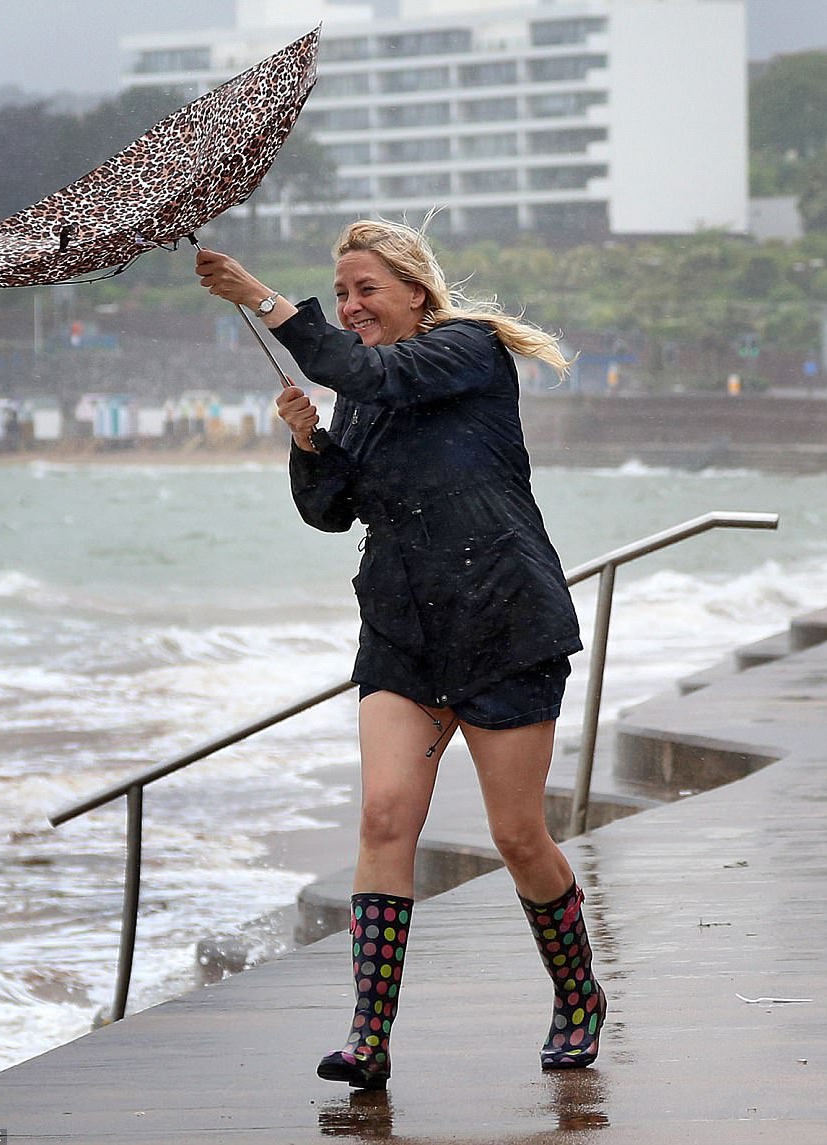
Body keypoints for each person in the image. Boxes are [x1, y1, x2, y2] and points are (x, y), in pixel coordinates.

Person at [195, 218, 606, 1091]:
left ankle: (579, 999)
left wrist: (262, 299)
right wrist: (311, 444)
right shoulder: (363, 390)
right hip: (403, 634)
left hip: (504, 621)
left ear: (416, 292)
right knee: (385, 820)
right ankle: (368, 1036)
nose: (348, 306)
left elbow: (370, 369)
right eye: (340, 293)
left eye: (363, 290)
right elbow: (334, 510)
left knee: (517, 833)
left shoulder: (467, 351)